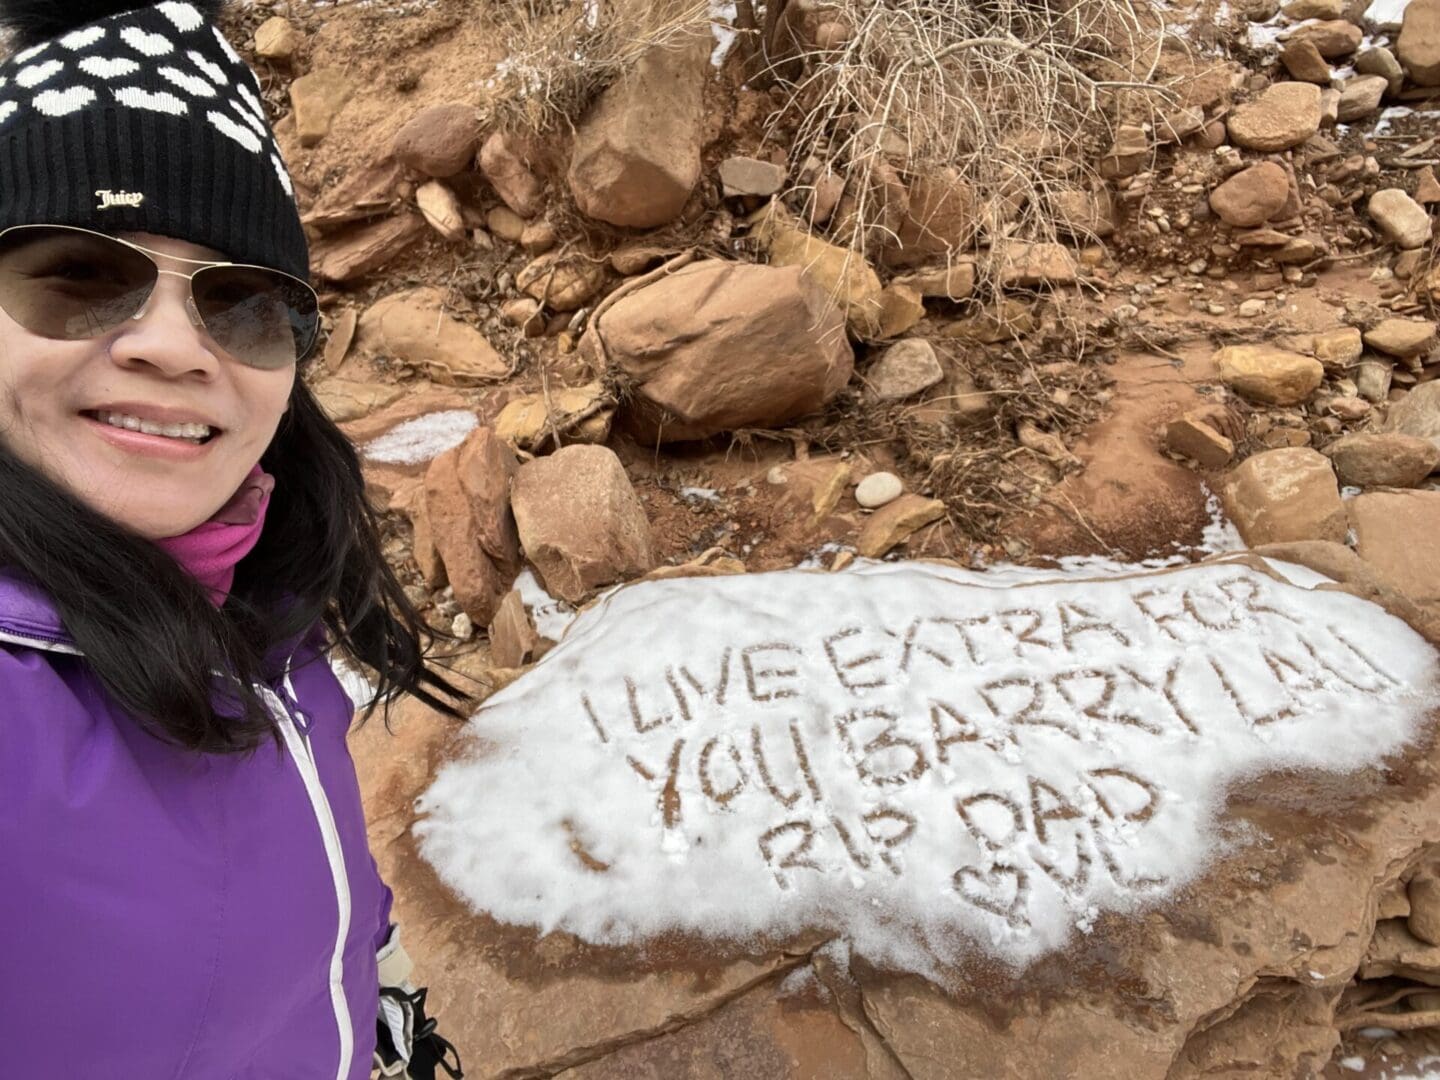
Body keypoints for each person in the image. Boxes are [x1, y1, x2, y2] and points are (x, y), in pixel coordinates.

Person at [0, 1, 467, 1076]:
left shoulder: (260, 601)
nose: (172, 347)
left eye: (244, 303)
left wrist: (373, 974)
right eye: (75, 274)